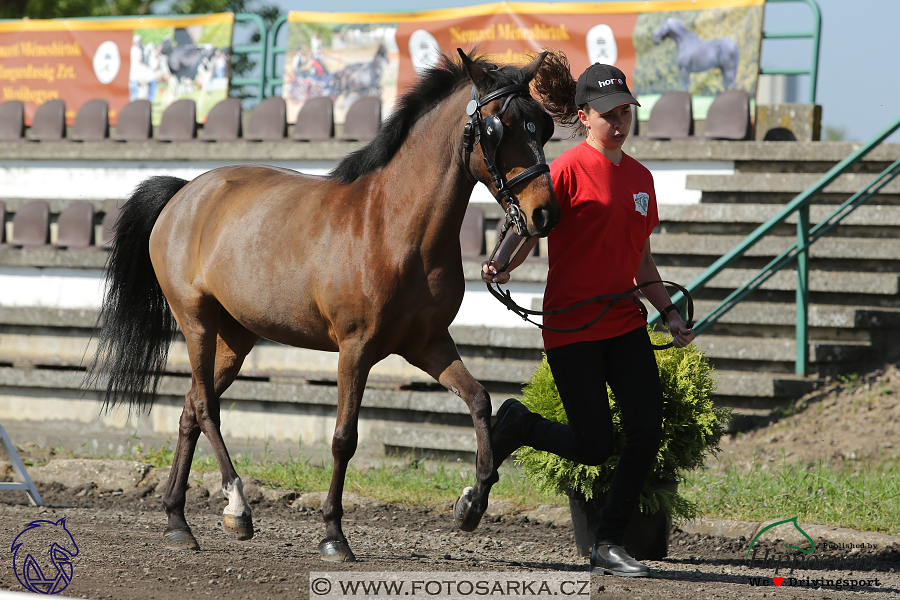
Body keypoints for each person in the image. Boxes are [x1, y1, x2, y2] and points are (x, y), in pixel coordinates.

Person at [481, 54, 694, 577]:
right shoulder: (566, 170)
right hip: (572, 328)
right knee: (595, 445)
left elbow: (641, 257)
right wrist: (502, 263)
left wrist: (667, 312)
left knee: (647, 429)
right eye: (608, 113)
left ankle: (608, 541)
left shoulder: (642, 178)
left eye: (625, 111)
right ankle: (515, 424)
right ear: (584, 117)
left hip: (623, 321)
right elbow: (531, 230)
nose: (619, 122)